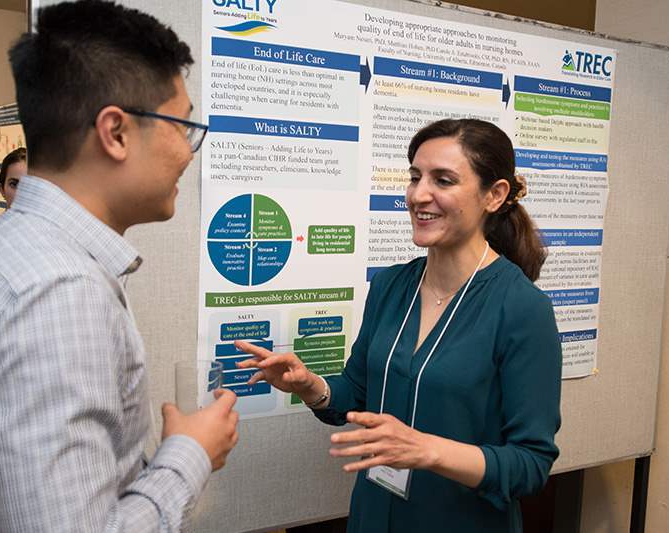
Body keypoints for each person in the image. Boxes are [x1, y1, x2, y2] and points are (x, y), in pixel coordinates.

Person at [0, 1, 237, 532]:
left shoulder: (3, 246)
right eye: (181, 126)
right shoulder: (59, 292)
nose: (190, 153)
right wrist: (189, 455)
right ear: (115, 132)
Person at [237, 119, 562, 532]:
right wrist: (310, 385)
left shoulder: (522, 308)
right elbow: (358, 395)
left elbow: (530, 465)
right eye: (414, 177)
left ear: (494, 195)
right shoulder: (391, 286)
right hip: (374, 515)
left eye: (442, 180)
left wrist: (427, 450)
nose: (418, 195)